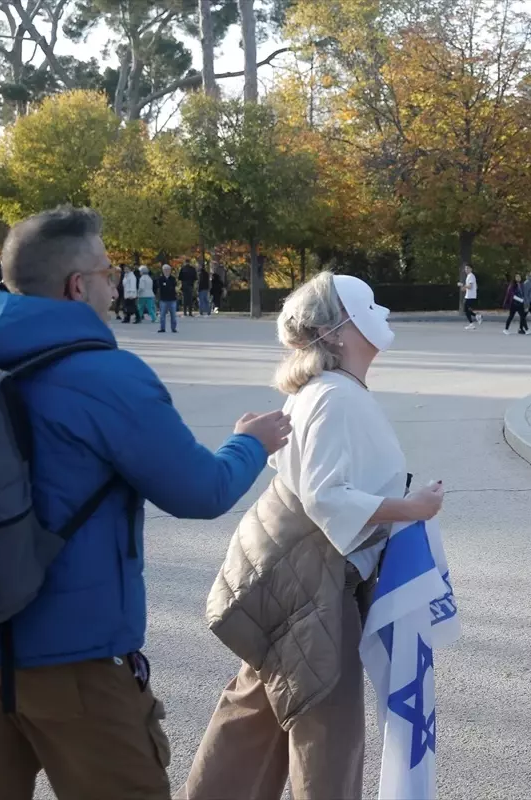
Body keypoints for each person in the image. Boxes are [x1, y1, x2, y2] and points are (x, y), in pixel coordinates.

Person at [0, 205, 291, 800]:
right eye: (108, 272)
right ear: (77, 286)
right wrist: (249, 443)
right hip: (73, 658)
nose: (115, 283)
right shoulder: (106, 375)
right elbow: (200, 491)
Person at [182, 272, 445, 800]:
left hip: (287, 575)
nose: (384, 314)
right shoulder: (334, 396)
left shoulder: (325, 391)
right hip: (312, 582)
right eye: (370, 306)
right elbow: (328, 498)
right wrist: (411, 507)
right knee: (325, 724)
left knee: (258, 710)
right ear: (340, 330)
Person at [157, 263, 178, 334]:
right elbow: (161, 287)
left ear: (170, 270)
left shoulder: (173, 278)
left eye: (168, 269)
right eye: (165, 270)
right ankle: (162, 328)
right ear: (163, 271)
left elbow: (173, 286)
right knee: (162, 315)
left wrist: (167, 285)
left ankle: (173, 328)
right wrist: (167, 286)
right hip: (163, 299)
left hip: (172, 299)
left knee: (173, 315)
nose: (166, 271)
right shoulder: (161, 279)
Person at [462, 264, 482, 329]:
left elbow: (470, 286)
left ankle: (473, 322)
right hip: (469, 295)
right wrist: (465, 288)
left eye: (467, 268)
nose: (466, 270)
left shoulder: (471, 276)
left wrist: (462, 285)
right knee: (466, 310)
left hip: (470, 296)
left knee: (466, 310)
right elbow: (474, 286)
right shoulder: (469, 276)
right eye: (465, 268)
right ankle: (476, 317)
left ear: (471, 269)